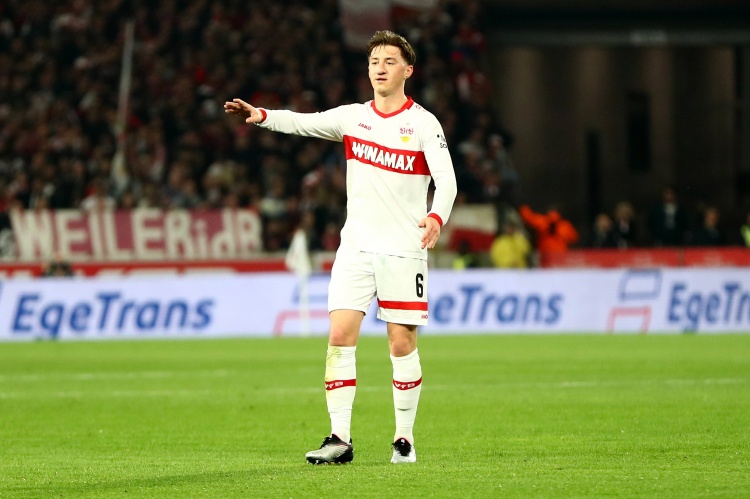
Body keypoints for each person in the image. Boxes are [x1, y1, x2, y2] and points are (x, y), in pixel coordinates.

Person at [225, 30, 457, 465]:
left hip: (403, 249)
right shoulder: (353, 117)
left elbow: (447, 180)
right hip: (356, 247)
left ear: (408, 70)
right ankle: (339, 438)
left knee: (400, 342)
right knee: (339, 336)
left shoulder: (423, 123)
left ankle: (404, 439)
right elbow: (303, 122)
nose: (380, 68)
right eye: (374, 62)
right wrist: (261, 115)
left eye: (389, 61)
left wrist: (435, 217)